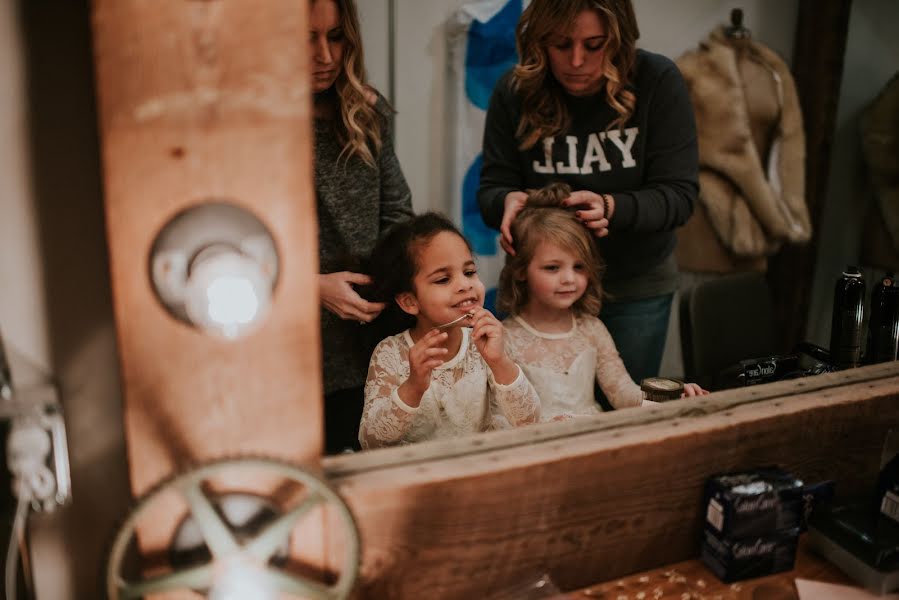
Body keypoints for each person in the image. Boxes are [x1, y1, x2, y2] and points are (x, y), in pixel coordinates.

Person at [478, 0, 698, 386]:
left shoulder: (656, 80)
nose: (576, 61)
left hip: (634, 285)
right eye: (560, 44)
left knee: (627, 415)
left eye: (594, 45)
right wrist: (504, 203)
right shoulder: (515, 91)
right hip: (539, 293)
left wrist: (614, 208)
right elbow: (492, 189)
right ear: (539, 41)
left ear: (619, 38)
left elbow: (679, 196)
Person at [498, 183, 707, 420]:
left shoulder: (591, 328)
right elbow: (500, 414)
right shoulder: (504, 338)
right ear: (520, 270)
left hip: (592, 439)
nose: (569, 279)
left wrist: (670, 397)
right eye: (552, 268)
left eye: (579, 267)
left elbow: (623, 395)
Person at [310, 0, 413, 454]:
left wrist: (396, 284)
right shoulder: (253, 127)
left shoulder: (367, 113)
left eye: (335, 37)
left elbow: (398, 216)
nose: (326, 57)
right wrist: (311, 287)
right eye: (305, 40)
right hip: (293, 339)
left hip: (370, 333)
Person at [359, 213, 540, 449]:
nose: (465, 285)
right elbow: (370, 441)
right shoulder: (389, 353)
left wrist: (499, 362)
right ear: (410, 302)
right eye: (443, 279)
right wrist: (413, 386)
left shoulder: (488, 343)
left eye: (469, 272)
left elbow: (529, 421)